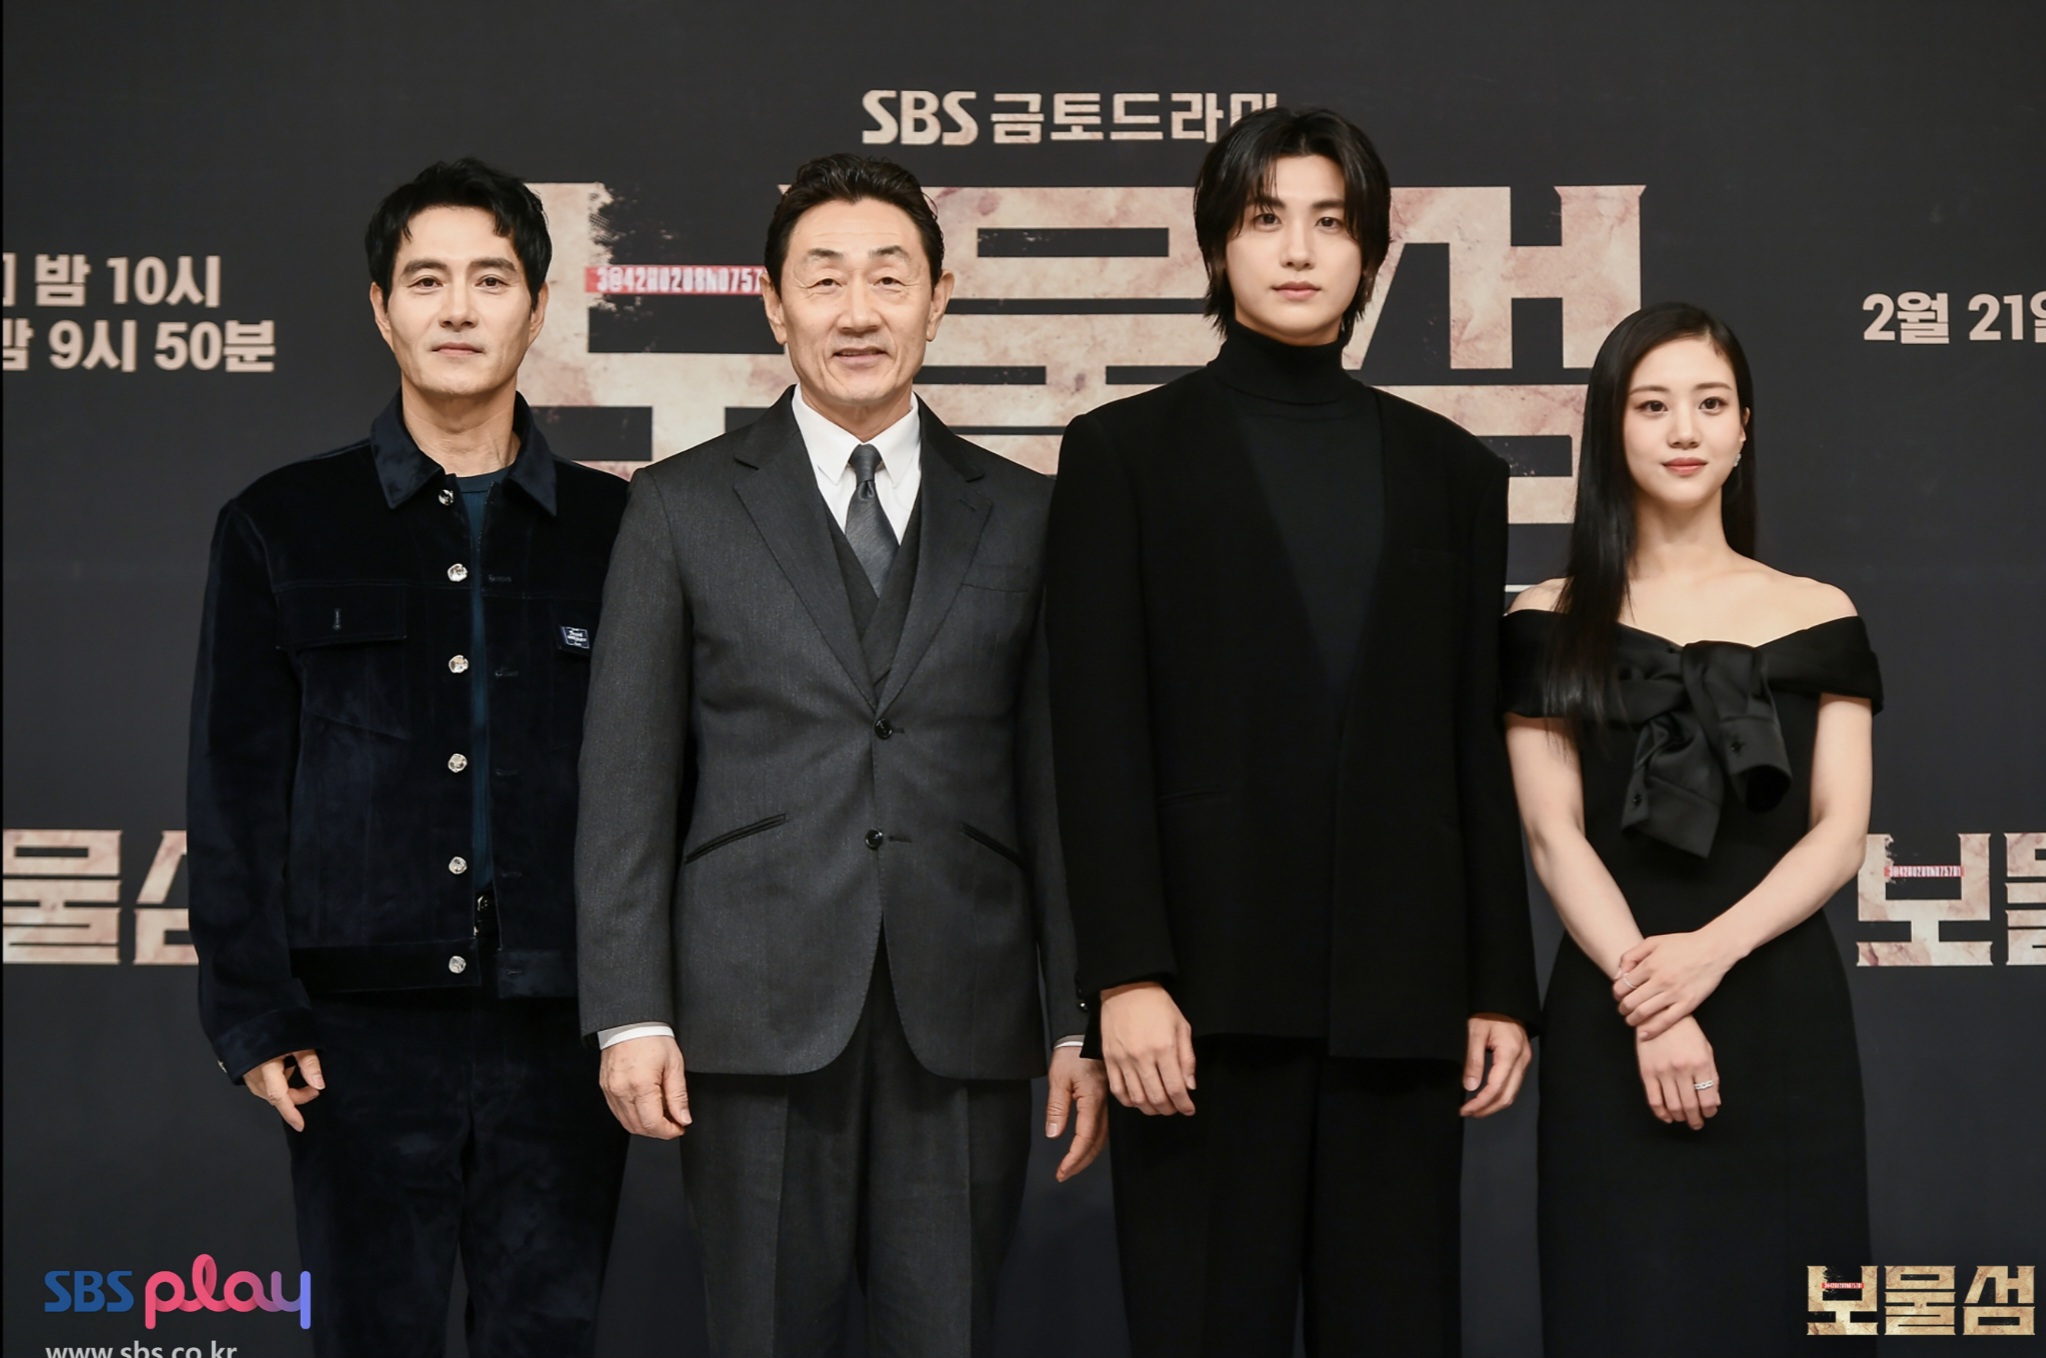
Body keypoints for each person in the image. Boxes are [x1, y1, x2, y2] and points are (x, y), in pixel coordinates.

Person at [574, 153, 1107, 1358]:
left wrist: (1074, 1013)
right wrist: (628, 1011)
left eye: (887, 277)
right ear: (774, 305)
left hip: (962, 1005)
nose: (856, 311)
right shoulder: (680, 506)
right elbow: (626, 779)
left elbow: (1056, 787)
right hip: (749, 1011)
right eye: (824, 279)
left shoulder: (1026, 512)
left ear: (938, 298)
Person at [1042, 107, 1539, 1358]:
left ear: (1370, 250)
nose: (1299, 249)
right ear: (1219, 242)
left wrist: (1497, 980)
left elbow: (1470, 746)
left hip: (1399, 995)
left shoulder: (1451, 473)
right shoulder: (1121, 453)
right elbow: (1093, 737)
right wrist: (1124, 976)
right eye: (1266, 218)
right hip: (1194, 1007)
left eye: (1329, 221)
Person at [187, 158, 631, 1356]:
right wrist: (254, 1011)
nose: (457, 308)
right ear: (381, 307)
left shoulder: (622, 532)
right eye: (426, 280)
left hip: (562, 1028)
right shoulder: (282, 523)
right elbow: (233, 791)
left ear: (537, 306)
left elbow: (664, 787)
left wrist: (647, 1004)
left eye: (490, 278)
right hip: (355, 1035)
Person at [1501, 302, 1880, 1356]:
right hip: (1611, 1002)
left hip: (1779, 1004)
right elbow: (1552, 836)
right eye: (1652, 405)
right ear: (1610, 428)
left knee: (1794, 1308)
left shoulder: (1818, 612)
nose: (1683, 430)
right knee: (1621, 1304)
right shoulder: (1543, 618)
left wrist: (1708, 953)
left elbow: (1839, 830)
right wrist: (1652, 1000)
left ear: (1743, 427)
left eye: (1710, 404)